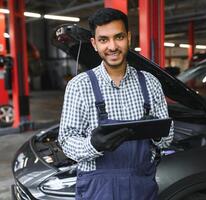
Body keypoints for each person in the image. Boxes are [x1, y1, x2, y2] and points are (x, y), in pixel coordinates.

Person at [58, 7, 174, 200]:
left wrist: (156, 131)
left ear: (129, 38)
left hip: (141, 185)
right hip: (98, 188)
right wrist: (92, 144)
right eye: (104, 40)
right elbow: (66, 140)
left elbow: (167, 137)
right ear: (94, 44)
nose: (112, 46)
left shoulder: (151, 83)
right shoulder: (78, 86)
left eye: (118, 37)